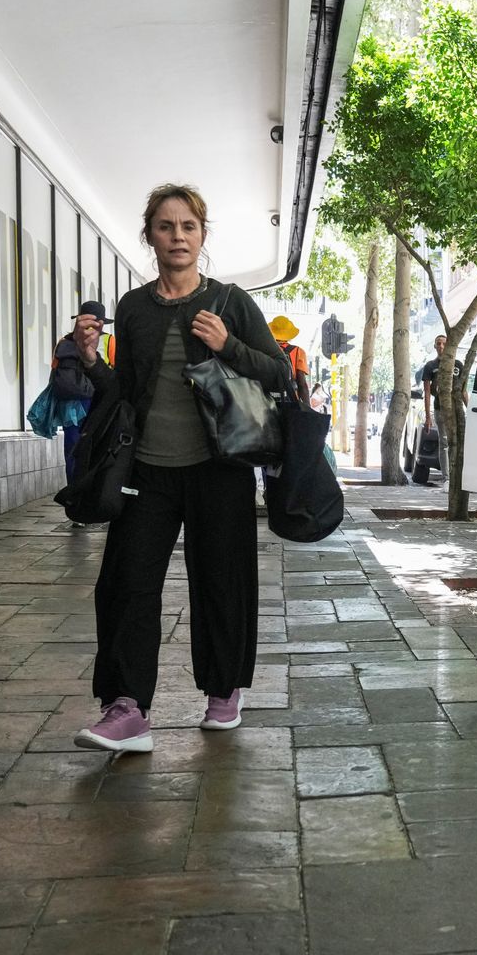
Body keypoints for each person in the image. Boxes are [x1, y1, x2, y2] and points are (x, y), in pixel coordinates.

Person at [71, 182, 293, 753]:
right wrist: (94, 363)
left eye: (188, 227)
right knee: (126, 584)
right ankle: (126, 709)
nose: (177, 237)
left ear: (202, 235)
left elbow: (278, 374)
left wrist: (229, 346)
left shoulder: (230, 302)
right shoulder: (133, 308)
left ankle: (223, 691)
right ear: (149, 235)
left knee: (221, 582)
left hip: (218, 468)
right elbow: (126, 393)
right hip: (147, 469)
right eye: (166, 227)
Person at [51, 301, 116, 484]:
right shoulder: (110, 341)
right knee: (96, 446)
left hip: (69, 403)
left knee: (72, 448)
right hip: (96, 401)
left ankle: (73, 489)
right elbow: (116, 374)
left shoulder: (63, 341)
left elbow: (54, 369)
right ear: (102, 323)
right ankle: (92, 488)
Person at [419, 335, 467, 480]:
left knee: (459, 442)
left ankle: (459, 476)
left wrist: (469, 409)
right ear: (435, 346)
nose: (441, 346)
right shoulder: (430, 366)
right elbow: (427, 393)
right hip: (440, 409)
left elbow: (463, 390)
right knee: (444, 442)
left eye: (444, 344)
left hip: (457, 409)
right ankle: (447, 478)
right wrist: (428, 417)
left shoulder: (458, 365)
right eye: (438, 344)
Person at [269, 315, 312, 400]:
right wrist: (307, 409)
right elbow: (302, 384)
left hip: (266, 400)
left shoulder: (264, 349)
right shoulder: (298, 351)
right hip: (291, 400)